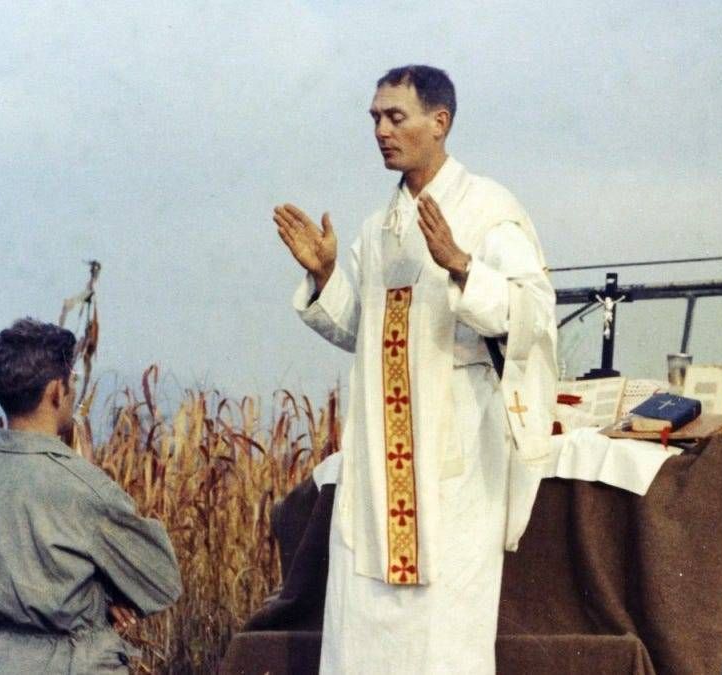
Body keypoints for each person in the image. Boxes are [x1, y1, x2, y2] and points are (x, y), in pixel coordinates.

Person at [274, 65, 558, 674]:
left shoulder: (489, 211)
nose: (380, 130)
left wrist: (463, 266)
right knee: (362, 626)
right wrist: (325, 275)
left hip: (455, 458)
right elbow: (361, 331)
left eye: (395, 116)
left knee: (442, 636)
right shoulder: (378, 229)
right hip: (377, 459)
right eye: (375, 118)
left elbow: (534, 316)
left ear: (439, 122)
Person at [0, 318, 182, 674]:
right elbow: (161, 580)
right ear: (57, 390)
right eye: (73, 380)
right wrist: (102, 598)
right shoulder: (80, 485)